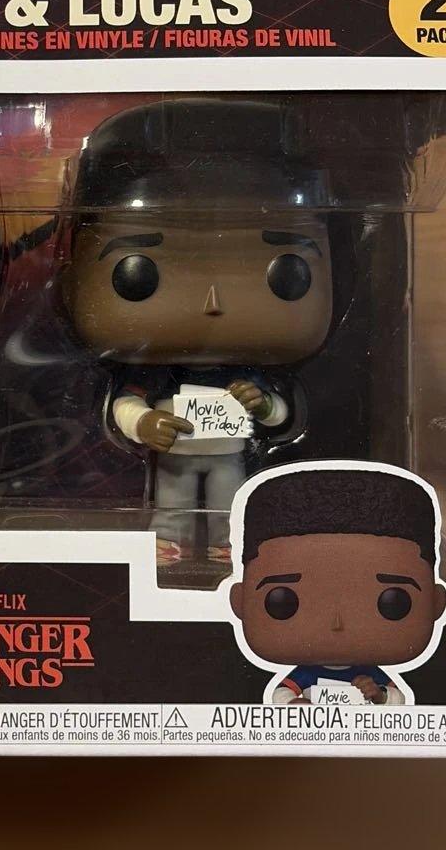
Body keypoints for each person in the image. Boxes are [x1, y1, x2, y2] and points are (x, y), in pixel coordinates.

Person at [61, 99, 335, 559]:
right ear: (73, 276)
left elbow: (279, 415)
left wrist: (264, 403)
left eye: (287, 274)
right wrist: (143, 422)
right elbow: (126, 402)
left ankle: (228, 544)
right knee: (172, 501)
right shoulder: (156, 369)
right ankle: (170, 541)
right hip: (175, 450)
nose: (214, 302)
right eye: (139, 275)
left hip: (229, 451)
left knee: (231, 499)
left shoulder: (246, 371)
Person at [228, 464, 446, 705]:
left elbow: (397, 699)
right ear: (240, 602)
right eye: (282, 602)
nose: (337, 623)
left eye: (393, 602)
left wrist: (378, 693)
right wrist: (293, 705)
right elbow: (281, 693)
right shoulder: (305, 673)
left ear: (435, 603)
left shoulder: (370, 674)